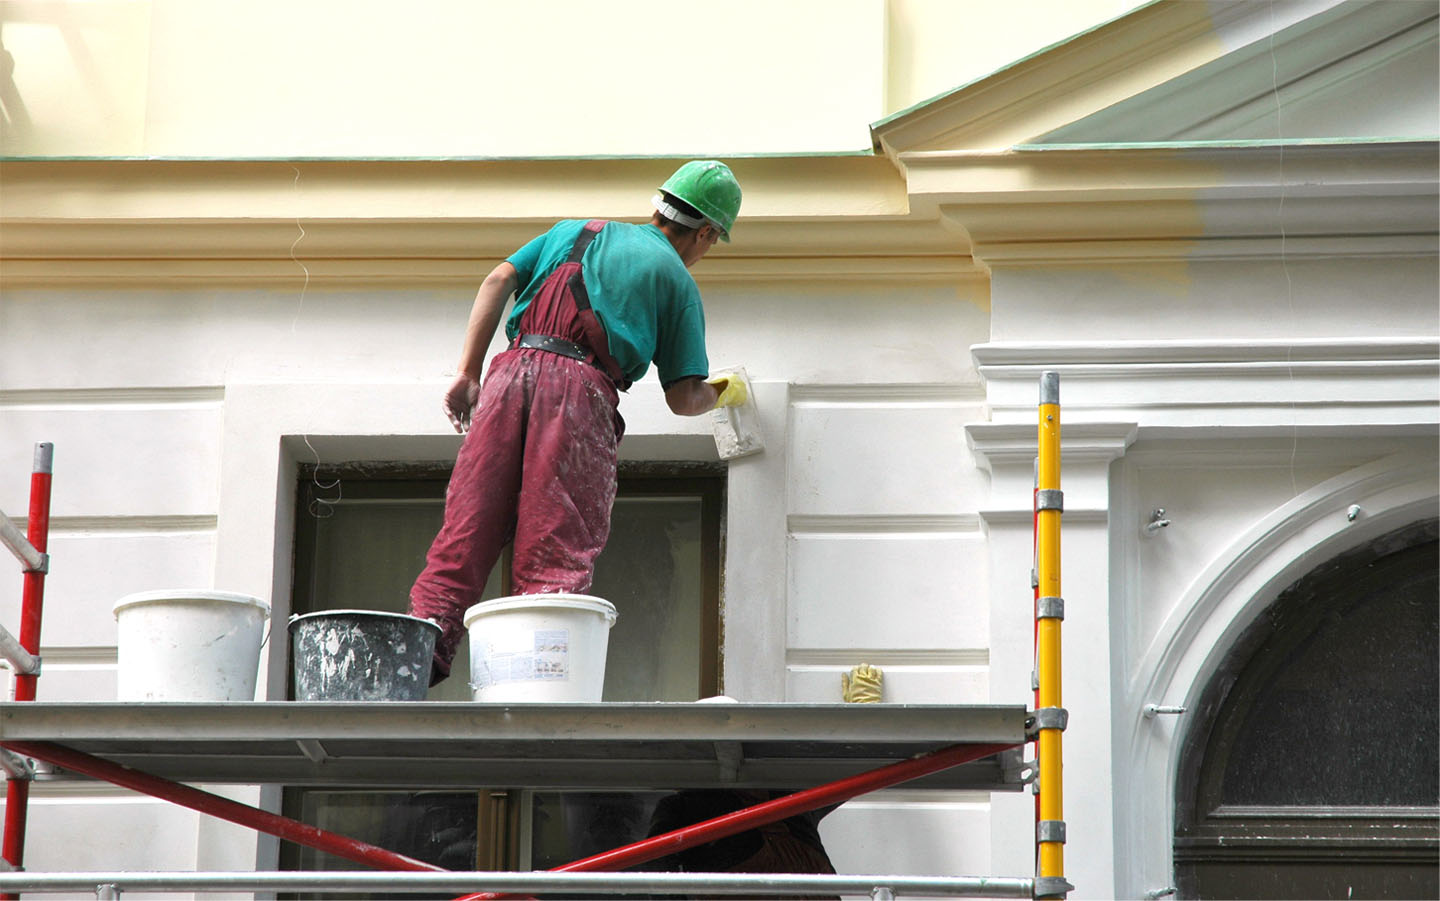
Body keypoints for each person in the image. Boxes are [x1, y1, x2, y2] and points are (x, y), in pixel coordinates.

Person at [409, 160, 747, 683]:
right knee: (555, 544)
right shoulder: (674, 279)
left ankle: (415, 661)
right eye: (710, 241)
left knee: (467, 529)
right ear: (704, 231)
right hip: (577, 394)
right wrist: (722, 393)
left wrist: (468, 372)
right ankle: (534, 690)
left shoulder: (573, 231)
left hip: (506, 376)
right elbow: (684, 397)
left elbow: (498, 278)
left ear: (661, 206)